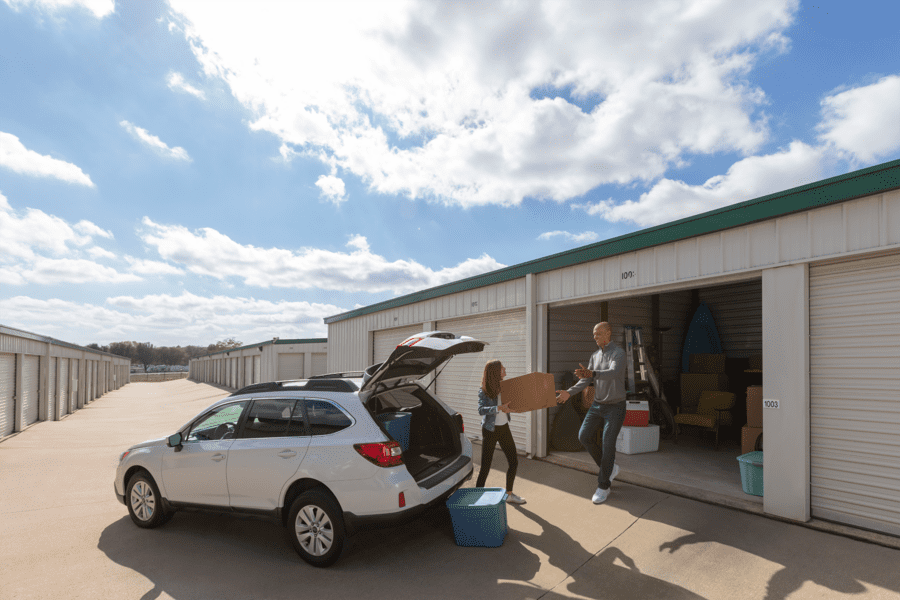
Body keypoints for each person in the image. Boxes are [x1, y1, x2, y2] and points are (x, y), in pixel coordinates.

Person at [555, 322, 626, 504]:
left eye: (598, 334)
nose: (594, 337)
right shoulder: (595, 356)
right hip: (597, 405)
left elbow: (613, 373)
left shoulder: (618, 353)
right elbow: (585, 380)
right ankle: (609, 469)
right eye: (593, 334)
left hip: (615, 407)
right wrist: (568, 393)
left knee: (608, 443)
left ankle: (603, 486)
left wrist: (592, 373)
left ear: (608, 333)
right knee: (584, 436)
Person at [475, 359, 526, 505]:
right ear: (496, 372)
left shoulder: (506, 387)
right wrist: (498, 408)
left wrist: (513, 408)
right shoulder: (484, 390)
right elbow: (481, 410)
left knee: (513, 462)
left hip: (504, 428)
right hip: (490, 430)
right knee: (485, 466)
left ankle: (509, 494)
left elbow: (510, 406)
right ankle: (476, 497)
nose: (505, 370)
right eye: (503, 368)